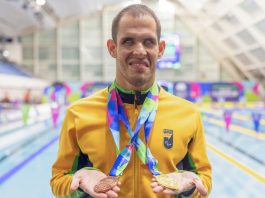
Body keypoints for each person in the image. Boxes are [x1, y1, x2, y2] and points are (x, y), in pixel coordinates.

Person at [50, 4, 212, 198]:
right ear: (113, 48)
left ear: (160, 49)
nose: (139, 51)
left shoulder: (188, 113)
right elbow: (59, 180)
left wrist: (191, 187)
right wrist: (79, 184)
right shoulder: (78, 113)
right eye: (128, 41)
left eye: (148, 42)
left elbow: (204, 180)